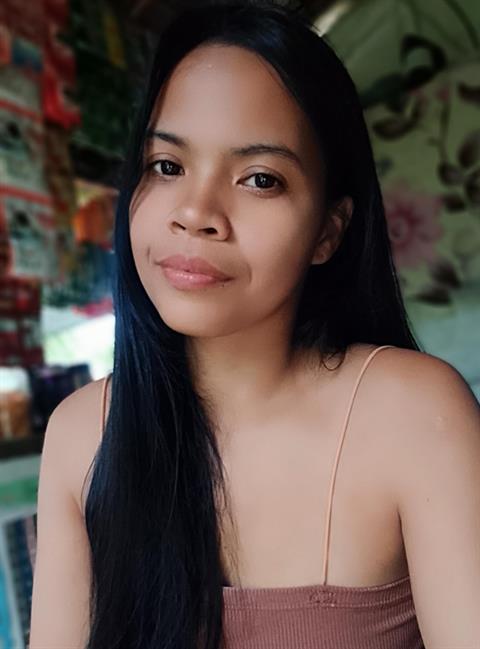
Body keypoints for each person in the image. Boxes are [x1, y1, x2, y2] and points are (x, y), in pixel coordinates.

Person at [29, 2, 480, 648]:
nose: (196, 213)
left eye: (260, 179)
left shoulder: (415, 415)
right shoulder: (80, 436)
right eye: (167, 166)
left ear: (328, 231)